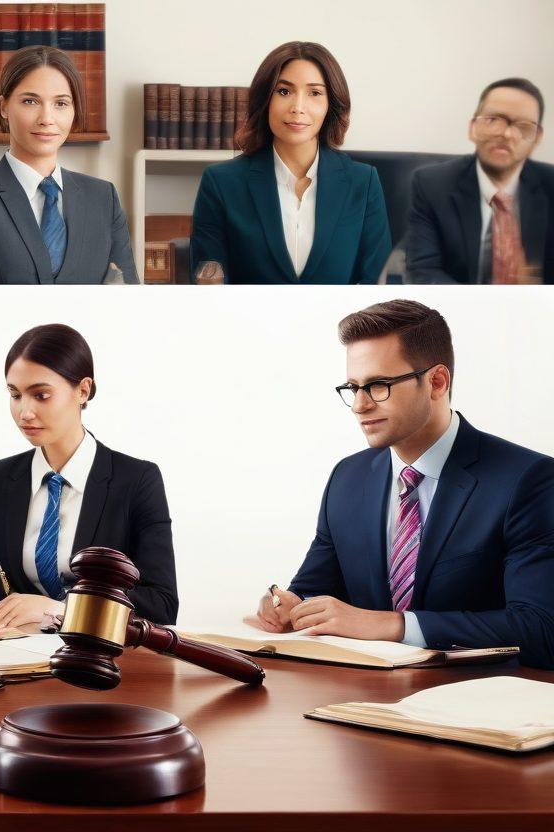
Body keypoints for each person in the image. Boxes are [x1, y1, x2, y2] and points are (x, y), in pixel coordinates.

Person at [256, 300, 554, 669]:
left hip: (476, 704)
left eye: (378, 385)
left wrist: (393, 625)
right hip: (357, 700)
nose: (359, 405)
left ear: (436, 381)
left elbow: (541, 630)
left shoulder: (528, 480)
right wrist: (289, 605)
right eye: (353, 387)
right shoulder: (347, 478)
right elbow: (315, 589)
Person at [0, 324, 177, 630]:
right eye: (15, 395)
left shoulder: (136, 480)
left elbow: (162, 604)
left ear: (82, 390)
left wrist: (59, 608)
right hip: (14, 654)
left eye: (40, 395)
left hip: (99, 658)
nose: (24, 412)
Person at [190, 41, 391, 284]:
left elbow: (378, 288)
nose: (298, 108)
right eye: (284, 91)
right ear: (265, 100)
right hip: (249, 321)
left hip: (339, 322)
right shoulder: (221, 182)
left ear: (331, 105)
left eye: (315, 93)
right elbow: (209, 288)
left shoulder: (364, 182)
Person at [0, 46, 137, 285]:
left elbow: (127, 302)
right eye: (30, 101)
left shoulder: (103, 197)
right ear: (3, 107)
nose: (46, 119)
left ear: (74, 111)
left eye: (61, 103)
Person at [406, 78, 552, 284]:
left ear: (537, 137)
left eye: (523, 126)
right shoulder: (431, 185)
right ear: (473, 128)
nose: (507, 133)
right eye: (493, 119)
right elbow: (423, 271)